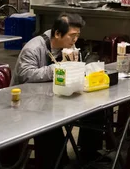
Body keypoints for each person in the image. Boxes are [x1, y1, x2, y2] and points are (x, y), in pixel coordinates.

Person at [11, 14, 103, 166]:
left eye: (77, 36)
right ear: (58, 34)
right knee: (49, 126)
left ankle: (89, 153)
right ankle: (55, 163)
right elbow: (25, 75)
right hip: (27, 103)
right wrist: (58, 69)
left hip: (53, 97)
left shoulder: (67, 48)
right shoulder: (34, 48)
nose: (75, 41)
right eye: (72, 36)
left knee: (96, 108)